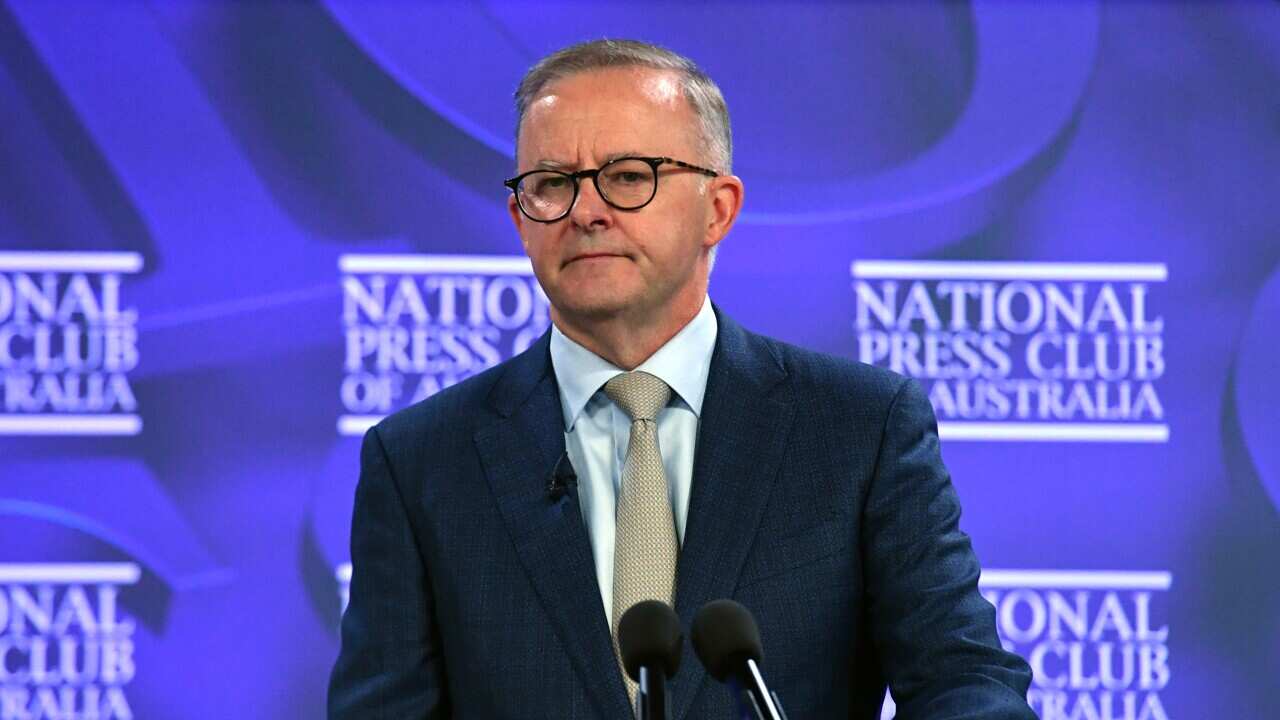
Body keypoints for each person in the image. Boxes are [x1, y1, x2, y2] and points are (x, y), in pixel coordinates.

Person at [328, 39, 1035, 719]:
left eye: (628, 176)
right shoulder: (421, 460)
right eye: (551, 185)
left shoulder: (859, 427)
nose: (586, 212)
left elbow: (965, 681)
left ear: (718, 209)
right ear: (520, 219)